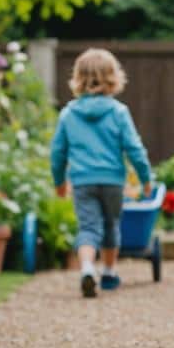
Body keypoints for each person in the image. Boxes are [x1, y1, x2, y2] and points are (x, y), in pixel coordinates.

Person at [51, 48, 152, 298]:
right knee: (111, 225)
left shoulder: (68, 114)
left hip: (83, 181)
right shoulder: (118, 112)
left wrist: (59, 181)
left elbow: (57, 152)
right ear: (113, 77)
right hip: (112, 181)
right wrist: (145, 178)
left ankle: (86, 268)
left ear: (78, 78)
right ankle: (108, 272)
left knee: (88, 227)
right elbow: (134, 148)